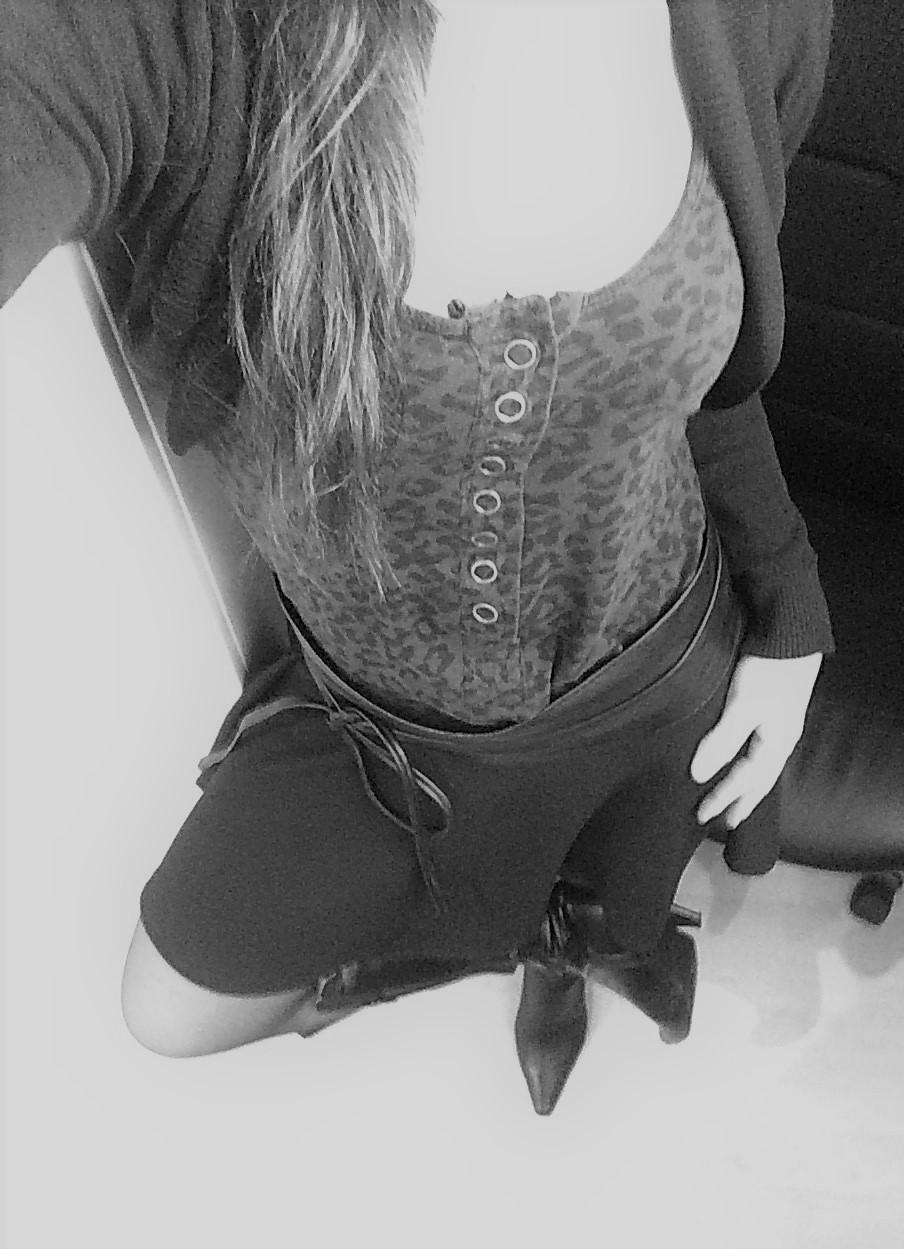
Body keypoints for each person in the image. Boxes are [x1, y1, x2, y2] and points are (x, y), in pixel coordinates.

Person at [1, 0, 835, 1114]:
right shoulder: (171, 35)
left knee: (619, 901)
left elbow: (708, 375)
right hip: (377, 733)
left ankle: (559, 952)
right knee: (171, 1005)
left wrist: (788, 602)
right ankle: (504, 939)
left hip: (654, 675)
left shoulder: (757, 19)